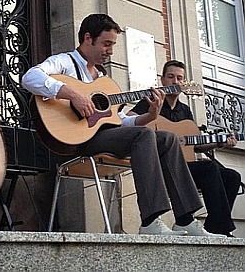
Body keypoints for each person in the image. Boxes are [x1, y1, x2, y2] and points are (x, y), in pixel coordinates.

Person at [22, 14, 224, 236]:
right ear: (88, 38)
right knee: (143, 136)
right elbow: (30, 77)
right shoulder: (65, 62)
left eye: (113, 45)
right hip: (77, 141)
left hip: (106, 137)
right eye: (106, 44)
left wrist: (150, 115)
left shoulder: (103, 79)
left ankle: (185, 219)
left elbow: (120, 120)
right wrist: (73, 95)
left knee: (168, 138)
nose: (110, 51)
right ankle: (150, 221)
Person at [127, 60, 242, 237]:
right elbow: (128, 122)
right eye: (171, 77)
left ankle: (215, 228)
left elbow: (193, 144)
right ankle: (218, 229)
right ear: (162, 79)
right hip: (157, 165)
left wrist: (220, 141)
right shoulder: (150, 103)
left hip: (184, 166)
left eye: (179, 78)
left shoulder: (185, 111)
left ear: (184, 83)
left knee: (232, 176)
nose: (175, 82)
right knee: (209, 169)